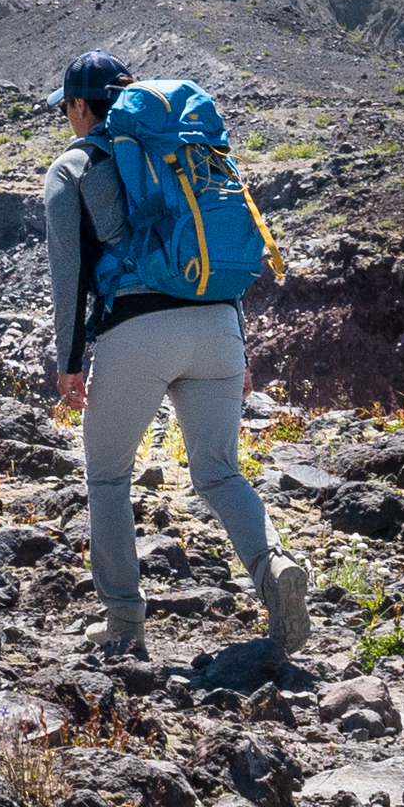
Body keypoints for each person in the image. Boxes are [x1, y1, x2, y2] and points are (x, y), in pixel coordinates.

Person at [47, 50, 308, 664]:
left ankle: (123, 623)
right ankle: (276, 568)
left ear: (82, 106)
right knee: (219, 472)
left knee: (108, 476)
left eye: (65, 108)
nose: (66, 119)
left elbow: (71, 272)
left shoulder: (76, 165)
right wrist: (236, 347)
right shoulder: (186, 155)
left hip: (139, 329)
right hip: (219, 323)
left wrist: (70, 359)